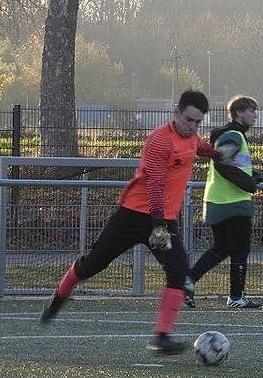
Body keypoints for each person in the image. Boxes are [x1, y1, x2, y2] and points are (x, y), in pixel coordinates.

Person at [40, 90, 221, 355]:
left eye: (197, 122)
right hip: (134, 215)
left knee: (178, 272)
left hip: (163, 219)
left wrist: (217, 154)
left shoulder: (191, 137)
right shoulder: (160, 140)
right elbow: (155, 185)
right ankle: (58, 297)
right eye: (188, 120)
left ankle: (161, 337)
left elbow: (200, 147)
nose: (192, 126)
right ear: (176, 113)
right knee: (93, 264)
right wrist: (158, 225)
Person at [184, 95, 263, 309]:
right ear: (238, 113)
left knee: (222, 248)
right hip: (233, 202)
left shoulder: (232, 134)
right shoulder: (234, 135)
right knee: (240, 249)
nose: (255, 115)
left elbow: (230, 163)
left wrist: (251, 175)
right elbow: (221, 162)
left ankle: (189, 280)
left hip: (218, 199)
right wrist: (248, 182)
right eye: (251, 111)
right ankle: (236, 296)